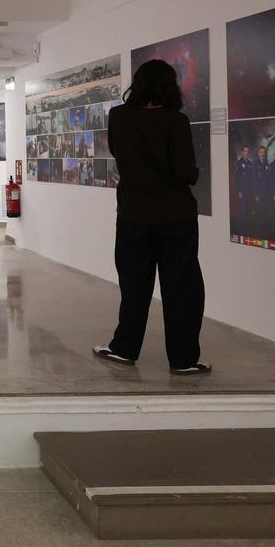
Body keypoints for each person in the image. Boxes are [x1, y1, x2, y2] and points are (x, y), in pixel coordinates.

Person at [93, 59, 210, 375]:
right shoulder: (176, 121)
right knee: (181, 288)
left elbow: (117, 153)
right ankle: (184, 359)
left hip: (133, 214)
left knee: (134, 285)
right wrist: (192, 173)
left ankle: (124, 348)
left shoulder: (118, 117)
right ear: (170, 85)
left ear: (138, 83)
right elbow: (185, 171)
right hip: (176, 217)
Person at [234, 146, 254, 233]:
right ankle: (241, 230)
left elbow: (252, 179)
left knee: (248, 210)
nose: (246, 153)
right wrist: (239, 191)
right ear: (242, 152)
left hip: (249, 191)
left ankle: (247, 230)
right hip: (242, 191)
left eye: (248, 151)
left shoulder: (250, 163)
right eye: (245, 151)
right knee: (243, 211)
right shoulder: (239, 163)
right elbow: (237, 178)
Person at [250, 145, 269, 237]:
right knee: (259, 215)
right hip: (259, 195)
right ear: (258, 154)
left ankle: (264, 233)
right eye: (261, 152)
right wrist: (256, 195)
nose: (262, 154)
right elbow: (253, 181)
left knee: (265, 213)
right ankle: (258, 234)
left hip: (266, 194)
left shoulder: (266, 164)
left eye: (264, 152)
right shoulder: (255, 164)